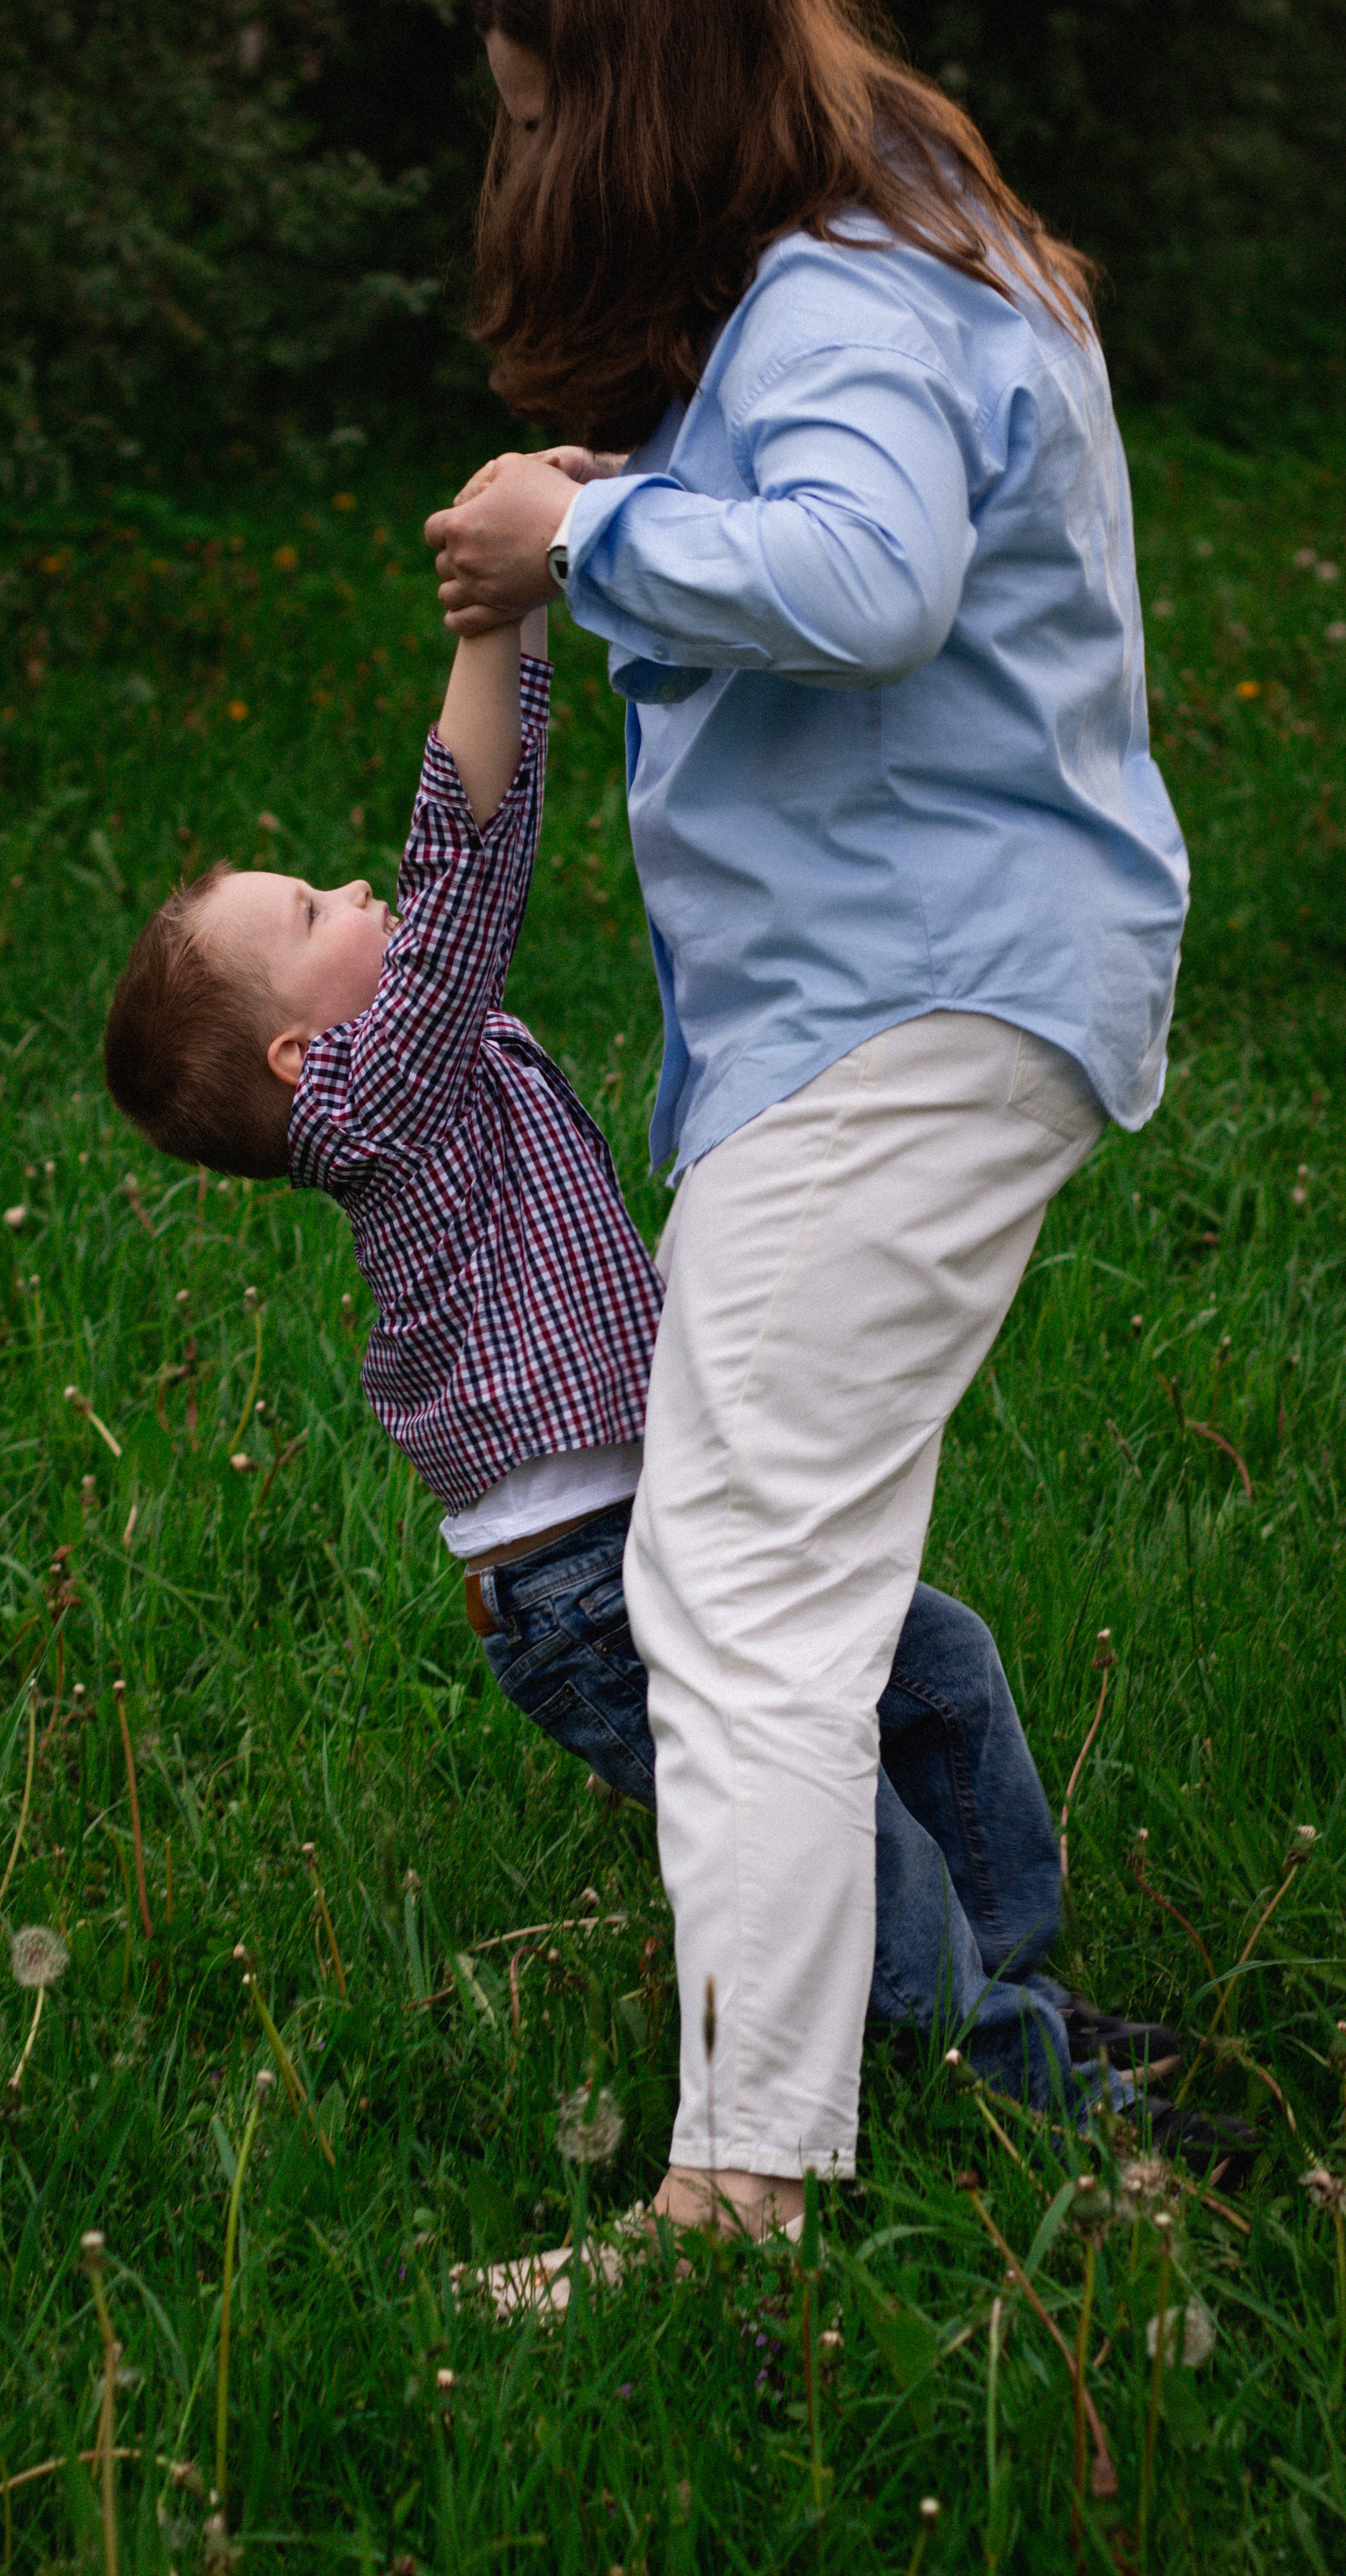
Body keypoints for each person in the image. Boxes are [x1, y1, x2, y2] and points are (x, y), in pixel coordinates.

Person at [100, 605, 1195, 2197]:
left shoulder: (414, 1065)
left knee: (936, 1669)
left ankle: (1019, 1996)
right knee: (839, 1833)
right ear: (294, 1053)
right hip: (580, 1589)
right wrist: (497, 630)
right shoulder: (367, 1104)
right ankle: (1017, 2091)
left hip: (645, 1519)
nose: (355, 886)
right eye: (313, 904)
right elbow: (469, 870)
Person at [425, 0, 1196, 2241]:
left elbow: (869, 581)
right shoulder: (894, 264)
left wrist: (587, 542)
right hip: (922, 992)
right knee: (788, 1568)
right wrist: (627, 510)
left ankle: (742, 2193)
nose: (527, 151)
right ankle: (991, 2059)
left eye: (539, 106)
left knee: (738, 1580)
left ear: (625, 100)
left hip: (911, 999)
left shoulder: (845, 288)